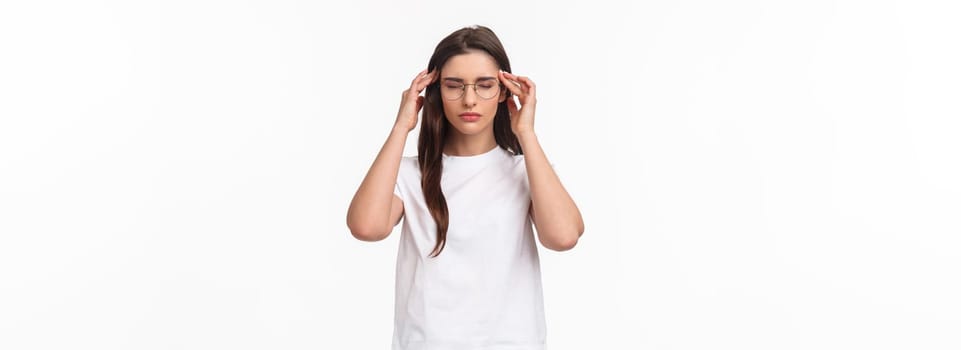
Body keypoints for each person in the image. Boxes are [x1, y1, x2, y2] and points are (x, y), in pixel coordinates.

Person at [346, 25, 585, 350]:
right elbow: (366, 227)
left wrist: (526, 134)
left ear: (504, 91)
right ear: (435, 91)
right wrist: (402, 125)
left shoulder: (525, 171)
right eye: (453, 86)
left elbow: (563, 236)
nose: (469, 99)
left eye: (485, 85)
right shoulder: (408, 174)